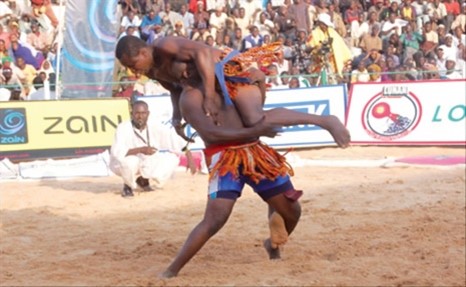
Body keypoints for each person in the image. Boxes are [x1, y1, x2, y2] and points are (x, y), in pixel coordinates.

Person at [159, 61, 351, 278]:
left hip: (256, 151)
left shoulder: (229, 80)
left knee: (292, 211)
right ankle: (171, 270)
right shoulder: (190, 97)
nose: (188, 71)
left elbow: (257, 113)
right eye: (184, 70)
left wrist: (260, 84)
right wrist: (257, 129)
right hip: (225, 157)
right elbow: (212, 134)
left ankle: (273, 242)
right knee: (215, 218)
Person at [115, 35, 282, 135]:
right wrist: (176, 118)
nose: (133, 71)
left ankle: (260, 82)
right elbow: (174, 90)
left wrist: (209, 96)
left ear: (143, 53)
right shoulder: (150, 71)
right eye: (129, 67)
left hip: (226, 68)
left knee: (253, 120)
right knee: (229, 127)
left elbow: (203, 53)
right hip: (208, 85)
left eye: (133, 64)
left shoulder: (164, 45)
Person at [109, 100, 186, 197]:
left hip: (144, 161)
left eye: (143, 113)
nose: (140, 116)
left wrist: (189, 155)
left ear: (148, 114)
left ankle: (143, 180)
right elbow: (118, 152)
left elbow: (173, 139)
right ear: (131, 114)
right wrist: (141, 150)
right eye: (137, 113)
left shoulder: (155, 125)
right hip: (122, 163)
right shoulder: (123, 127)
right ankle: (127, 186)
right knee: (130, 162)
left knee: (171, 159)